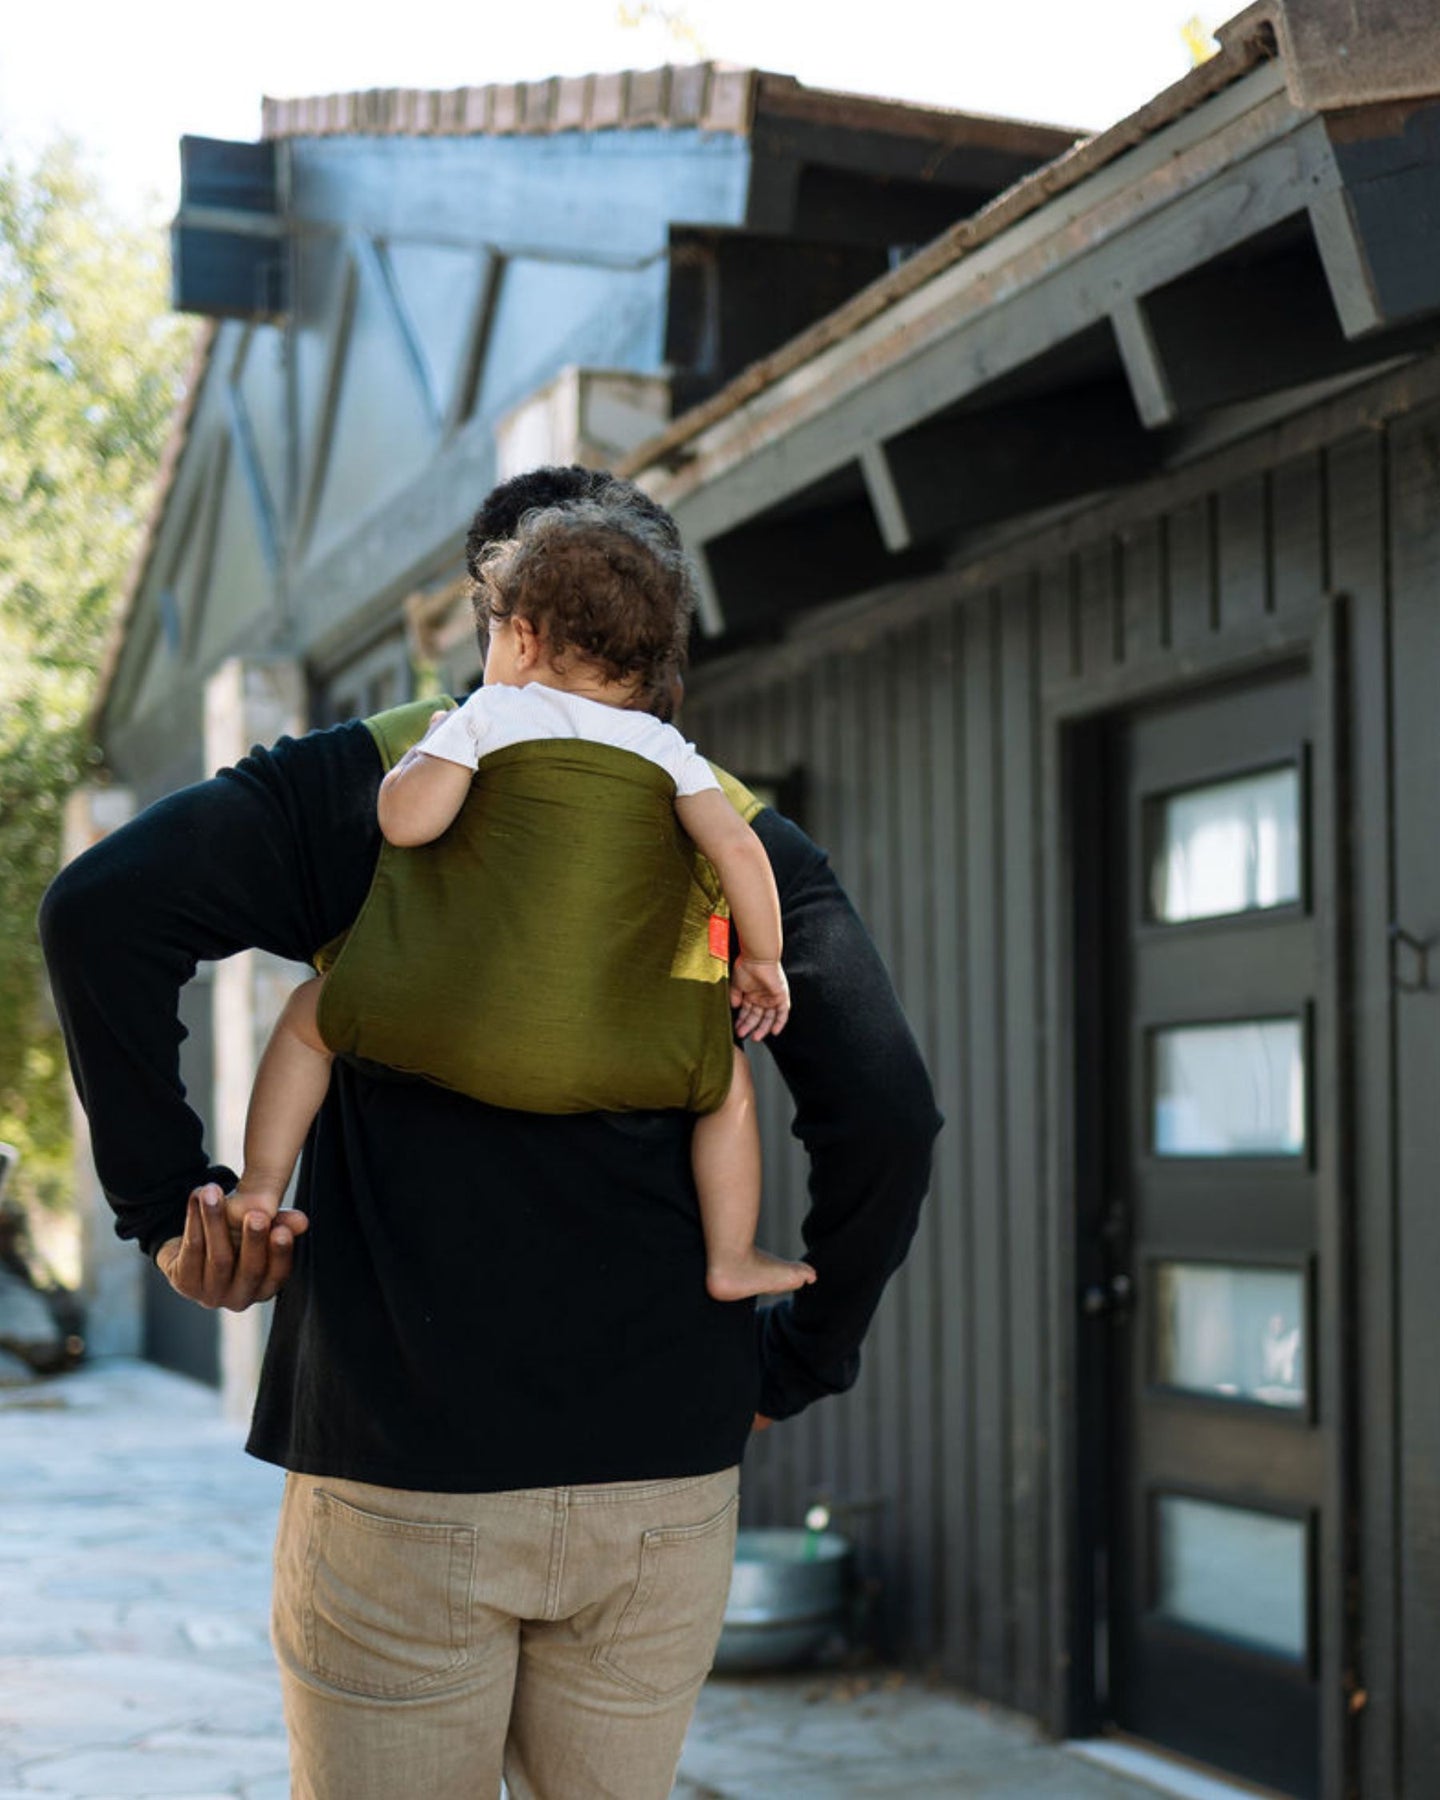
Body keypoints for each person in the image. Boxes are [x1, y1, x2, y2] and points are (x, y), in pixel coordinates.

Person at [39, 465, 941, 1800]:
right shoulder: (734, 834)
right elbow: (887, 1109)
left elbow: (99, 913)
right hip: (662, 1472)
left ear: (497, 624)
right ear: (666, 653)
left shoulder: (370, 783)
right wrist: (795, 1360)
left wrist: (173, 1202)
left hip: (401, 1465)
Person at [233, 500, 815, 1302]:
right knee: (729, 1085)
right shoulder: (669, 751)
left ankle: (260, 1191)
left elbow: (406, 824)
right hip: (624, 1047)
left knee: (308, 1019)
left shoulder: (489, 714)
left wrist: (421, 757)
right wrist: (764, 960)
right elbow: (741, 850)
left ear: (525, 638)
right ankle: (731, 1255)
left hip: (457, 1024)